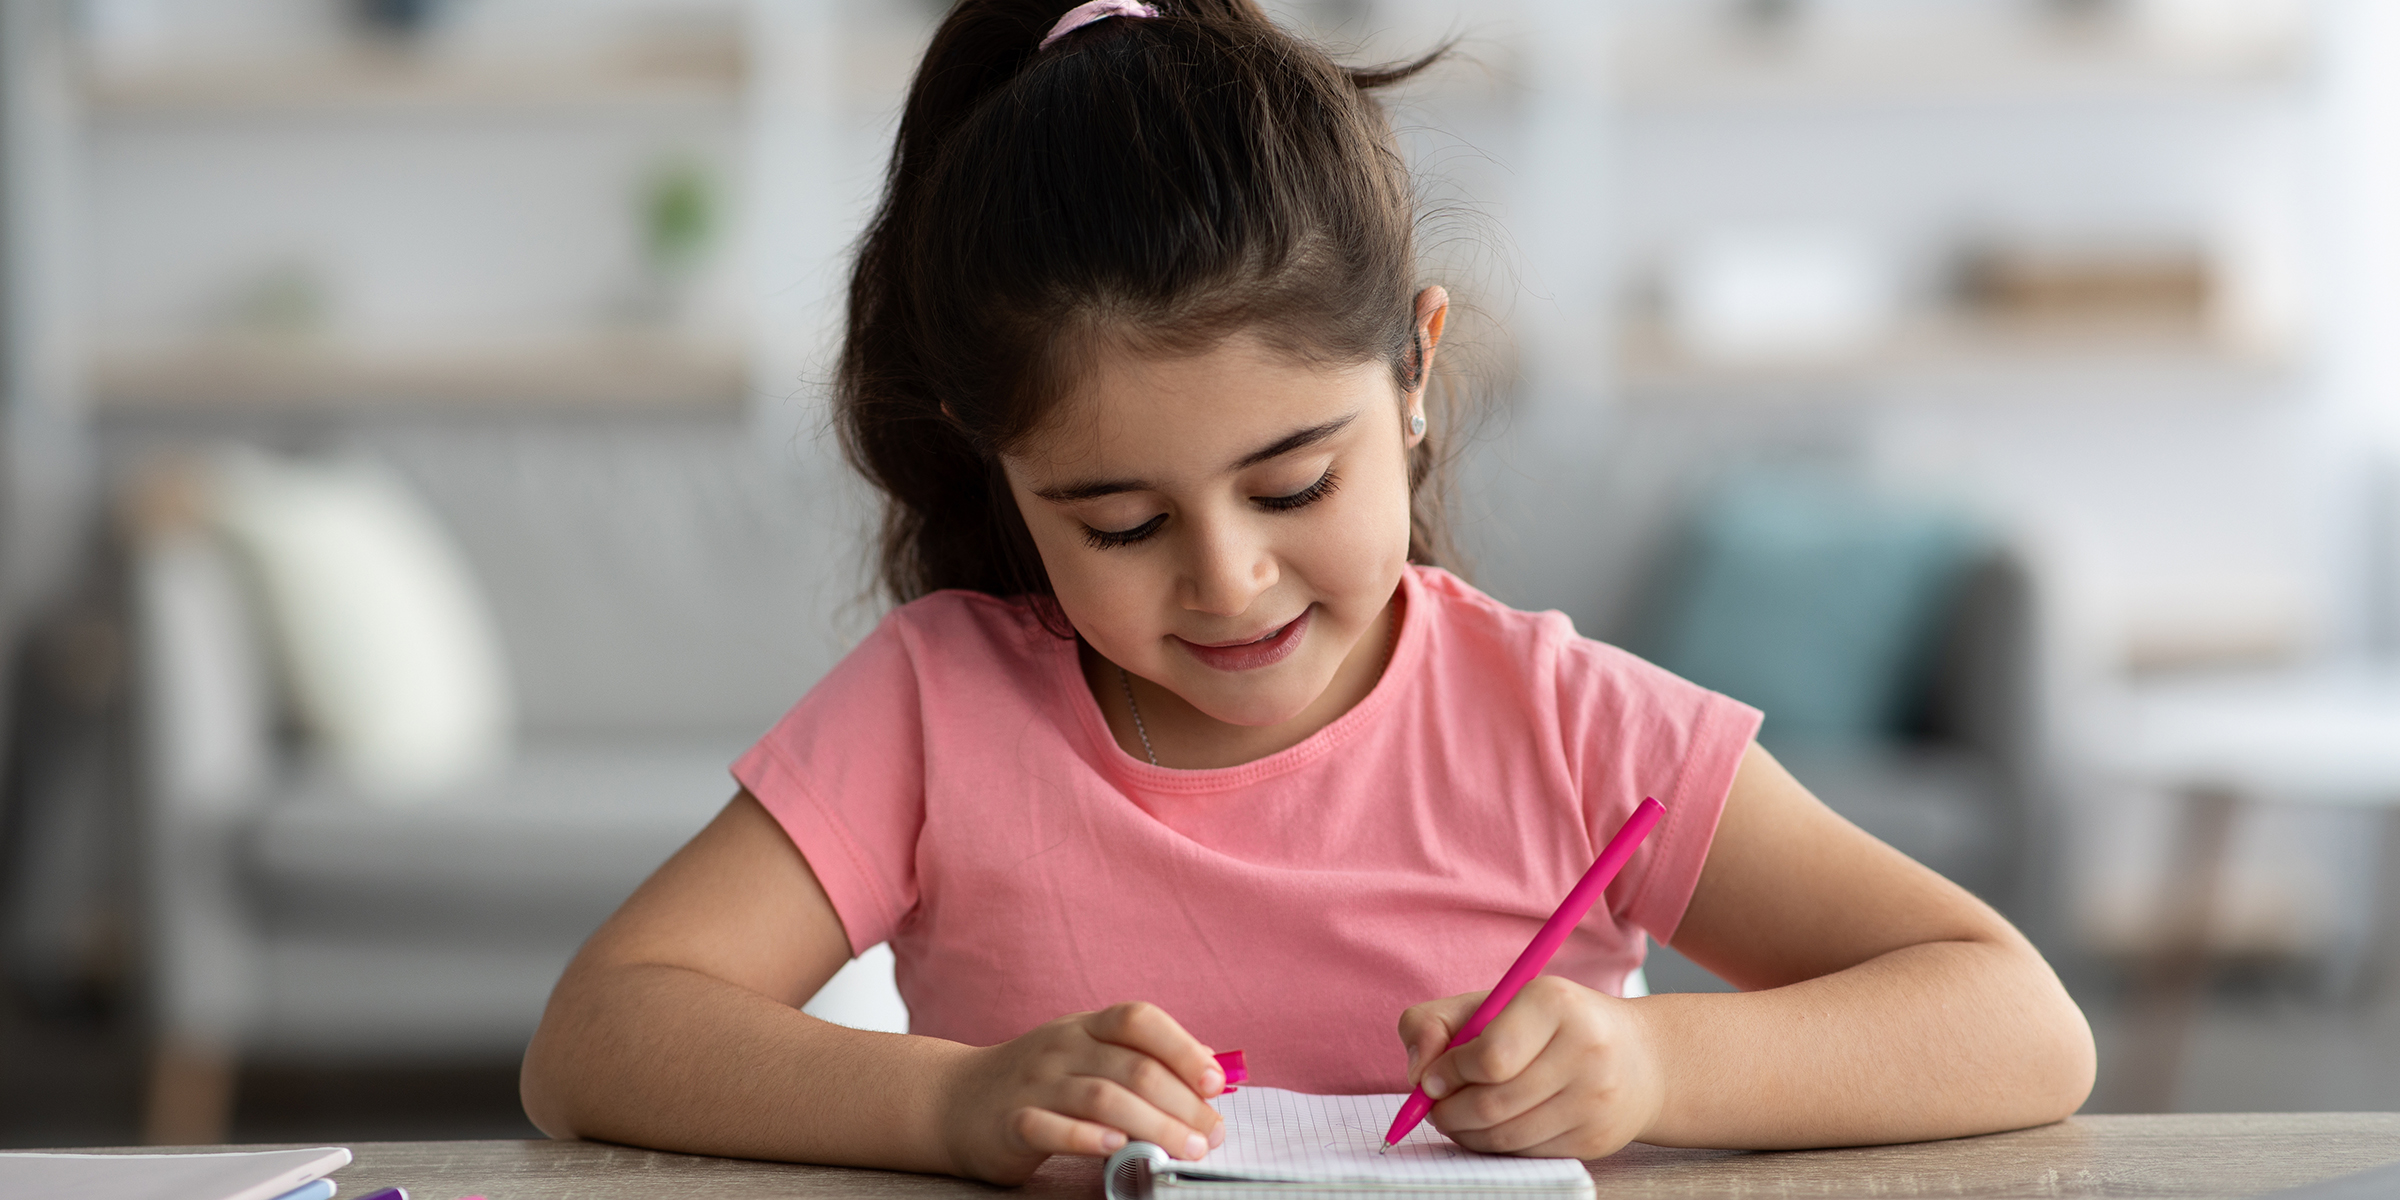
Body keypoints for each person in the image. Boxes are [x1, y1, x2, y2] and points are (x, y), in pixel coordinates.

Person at [518, 0, 2094, 1183]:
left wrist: (1650, 1066)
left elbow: (2022, 1024)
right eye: (1119, 522)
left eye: (1292, 486)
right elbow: (597, 1035)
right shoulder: (940, 707)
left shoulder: (1565, 722)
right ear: (994, 472)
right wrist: (951, 1102)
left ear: (1414, 368)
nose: (1229, 578)